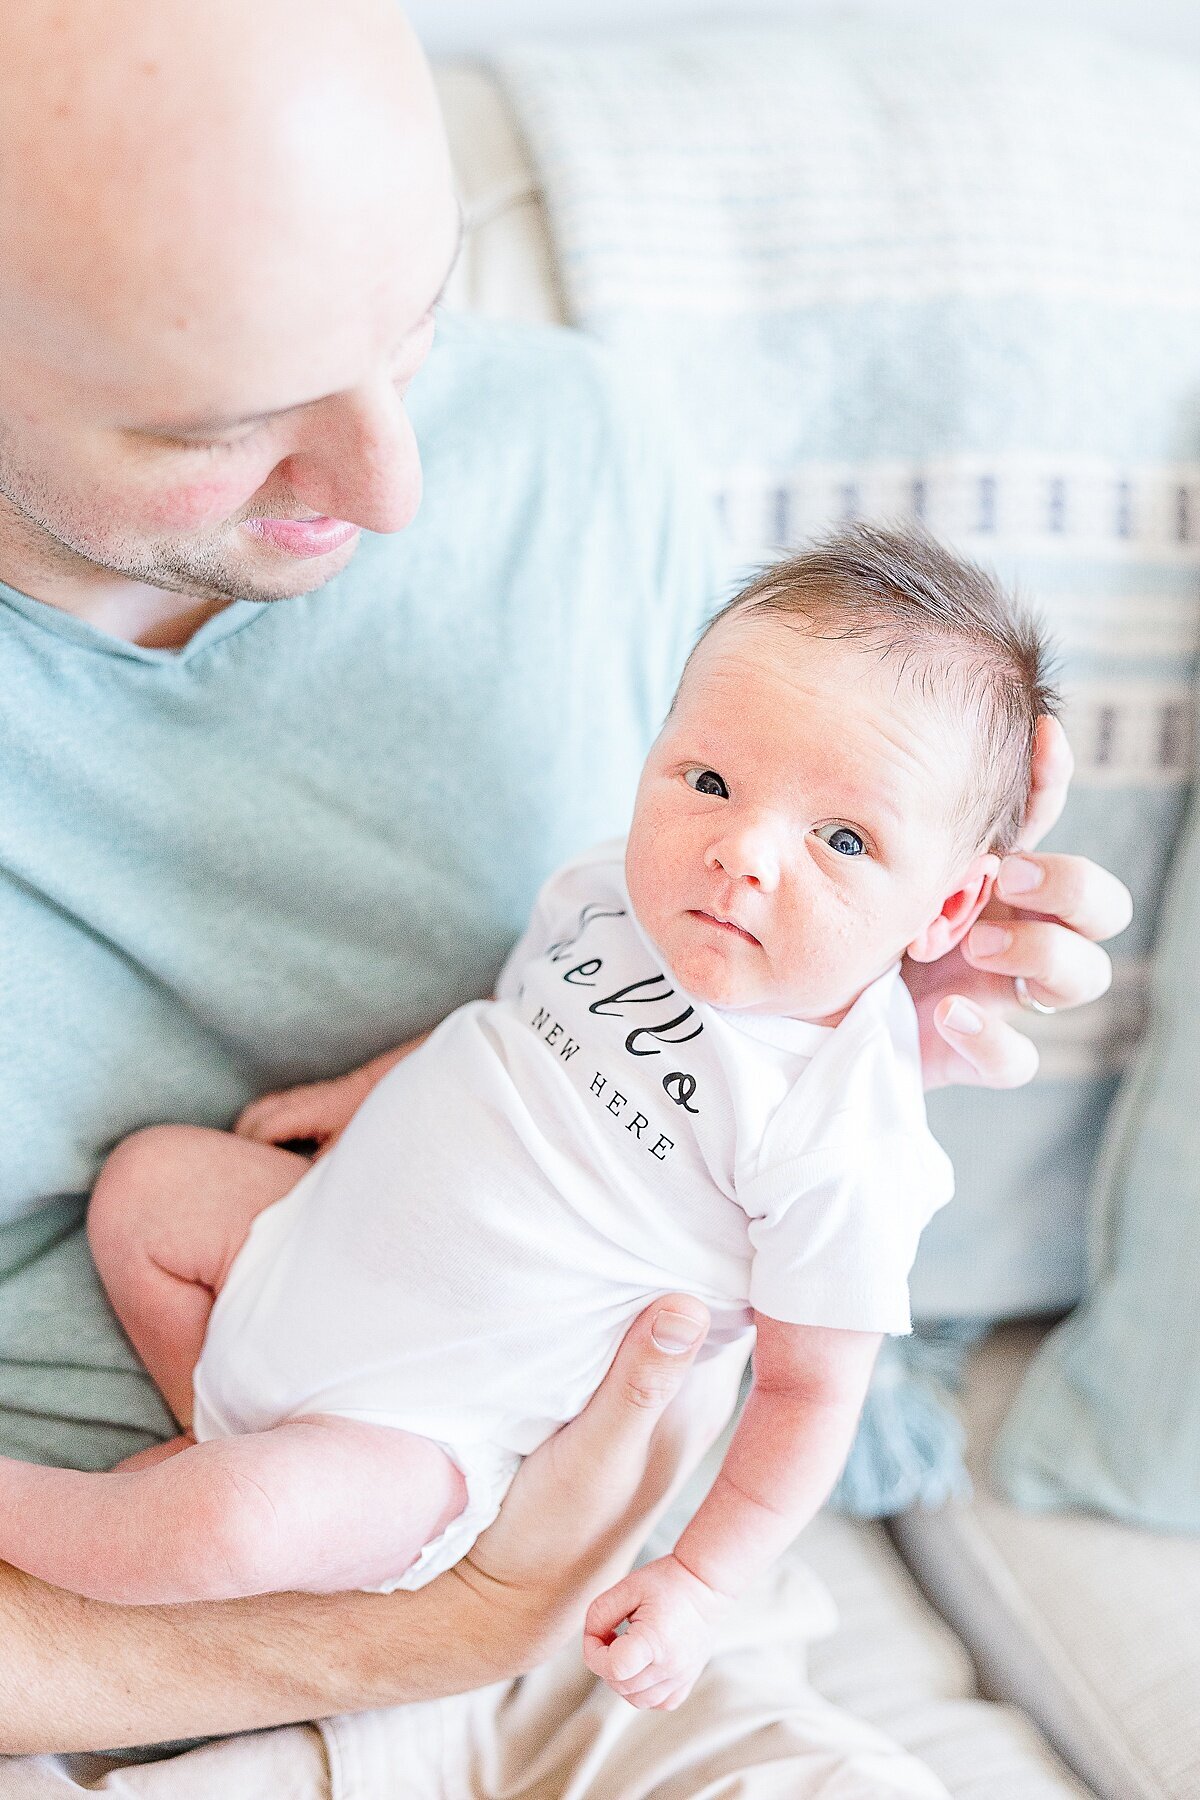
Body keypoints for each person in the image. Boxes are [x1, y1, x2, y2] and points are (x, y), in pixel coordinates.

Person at [0, 0, 1131, 1789]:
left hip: (616, 1620)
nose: (399, 483)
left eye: (418, 320)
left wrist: (855, 986)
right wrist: (430, 1622)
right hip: (103, 1682)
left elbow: (614, 1047)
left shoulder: (579, 448)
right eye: (227, 421)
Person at [0, 528, 1051, 1711]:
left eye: (843, 840)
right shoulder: (608, 893)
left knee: (226, 1529)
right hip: (303, 1246)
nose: (741, 853)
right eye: (708, 781)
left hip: (421, 1434)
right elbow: (502, 1026)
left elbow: (811, 1394)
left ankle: (63, 1507)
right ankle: (214, 1420)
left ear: (948, 904)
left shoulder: (843, 1135)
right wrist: (358, 1093)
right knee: (146, 1185)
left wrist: (701, 1584)